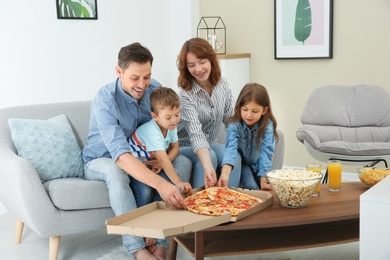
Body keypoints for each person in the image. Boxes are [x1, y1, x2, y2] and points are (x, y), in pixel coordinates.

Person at [82, 42, 192, 260]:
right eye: (135, 78)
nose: (142, 84)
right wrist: (161, 184)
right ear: (119, 72)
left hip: (142, 155)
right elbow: (121, 157)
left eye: (147, 76)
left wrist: (164, 160)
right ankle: (138, 247)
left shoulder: (155, 90)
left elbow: (163, 130)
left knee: (182, 162)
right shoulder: (105, 100)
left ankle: (161, 242)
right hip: (102, 159)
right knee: (116, 171)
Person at [176, 37, 241, 189]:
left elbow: (231, 119)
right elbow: (196, 135)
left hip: (211, 143)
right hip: (186, 145)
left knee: (233, 156)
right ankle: (200, 205)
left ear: (211, 60)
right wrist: (207, 166)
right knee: (210, 157)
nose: (198, 69)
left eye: (202, 62)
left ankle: (230, 202)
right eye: (191, 65)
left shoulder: (222, 83)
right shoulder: (186, 93)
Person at [129, 87, 192, 206]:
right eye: (168, 117)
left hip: (151, 161)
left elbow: (175, 148)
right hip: (137, 166)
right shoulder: (152, 131)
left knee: (168, 181)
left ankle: (159, 210)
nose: (174, 120)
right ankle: (139, 215)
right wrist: (178, 182)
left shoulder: (171, 125)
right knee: (145, 192)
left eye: (177, 115)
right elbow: (163, 159)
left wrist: (163, 162)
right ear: (155, 117)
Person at [219, 83, 279, 190]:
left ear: (264, 110)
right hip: (242, 166)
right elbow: (230, 150)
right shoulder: (234, 125)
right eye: (245, 110)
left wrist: (264, 178)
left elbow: (266, 152)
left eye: (255, 111)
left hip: (259, 164)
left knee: (264, 189)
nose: (249, 115)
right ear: (239, 108)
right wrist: (225, 174)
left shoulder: (267, 126)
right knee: (251, 187)